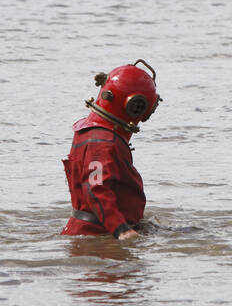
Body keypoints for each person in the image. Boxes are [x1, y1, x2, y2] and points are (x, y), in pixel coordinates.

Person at [61, 61, 161, 241]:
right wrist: (121, 230)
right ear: (135, 106)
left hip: (94, 230)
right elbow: (95, 189)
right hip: (97, 234)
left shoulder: (91, 130)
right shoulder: (102, 140)